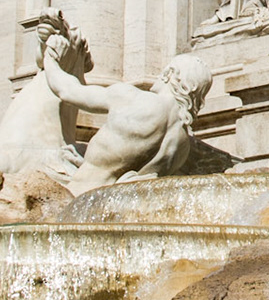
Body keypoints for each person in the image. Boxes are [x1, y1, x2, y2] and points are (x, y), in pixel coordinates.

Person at [41, 35, 213, 190]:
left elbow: (68, 91)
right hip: (116, 214)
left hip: (78, 199)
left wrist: (50, 59)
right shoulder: (182, 144)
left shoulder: (134, 99)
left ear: (169, 74)